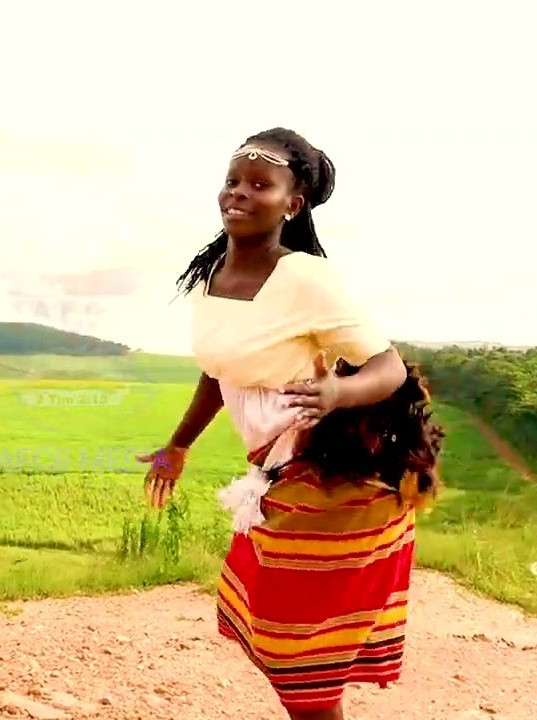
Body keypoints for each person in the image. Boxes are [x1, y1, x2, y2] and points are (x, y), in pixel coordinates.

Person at [138, 128, 443, 719]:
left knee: (298, 657)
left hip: (334, 481)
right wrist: (177, 446)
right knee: (276, 641)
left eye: (260, 184)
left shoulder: (304, 277)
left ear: (291, 203)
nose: (239, 193)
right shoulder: (211, 278)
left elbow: (389, 370)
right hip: (276, 473)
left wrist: (338, 390)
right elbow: (218, 372)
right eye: (232, 181)